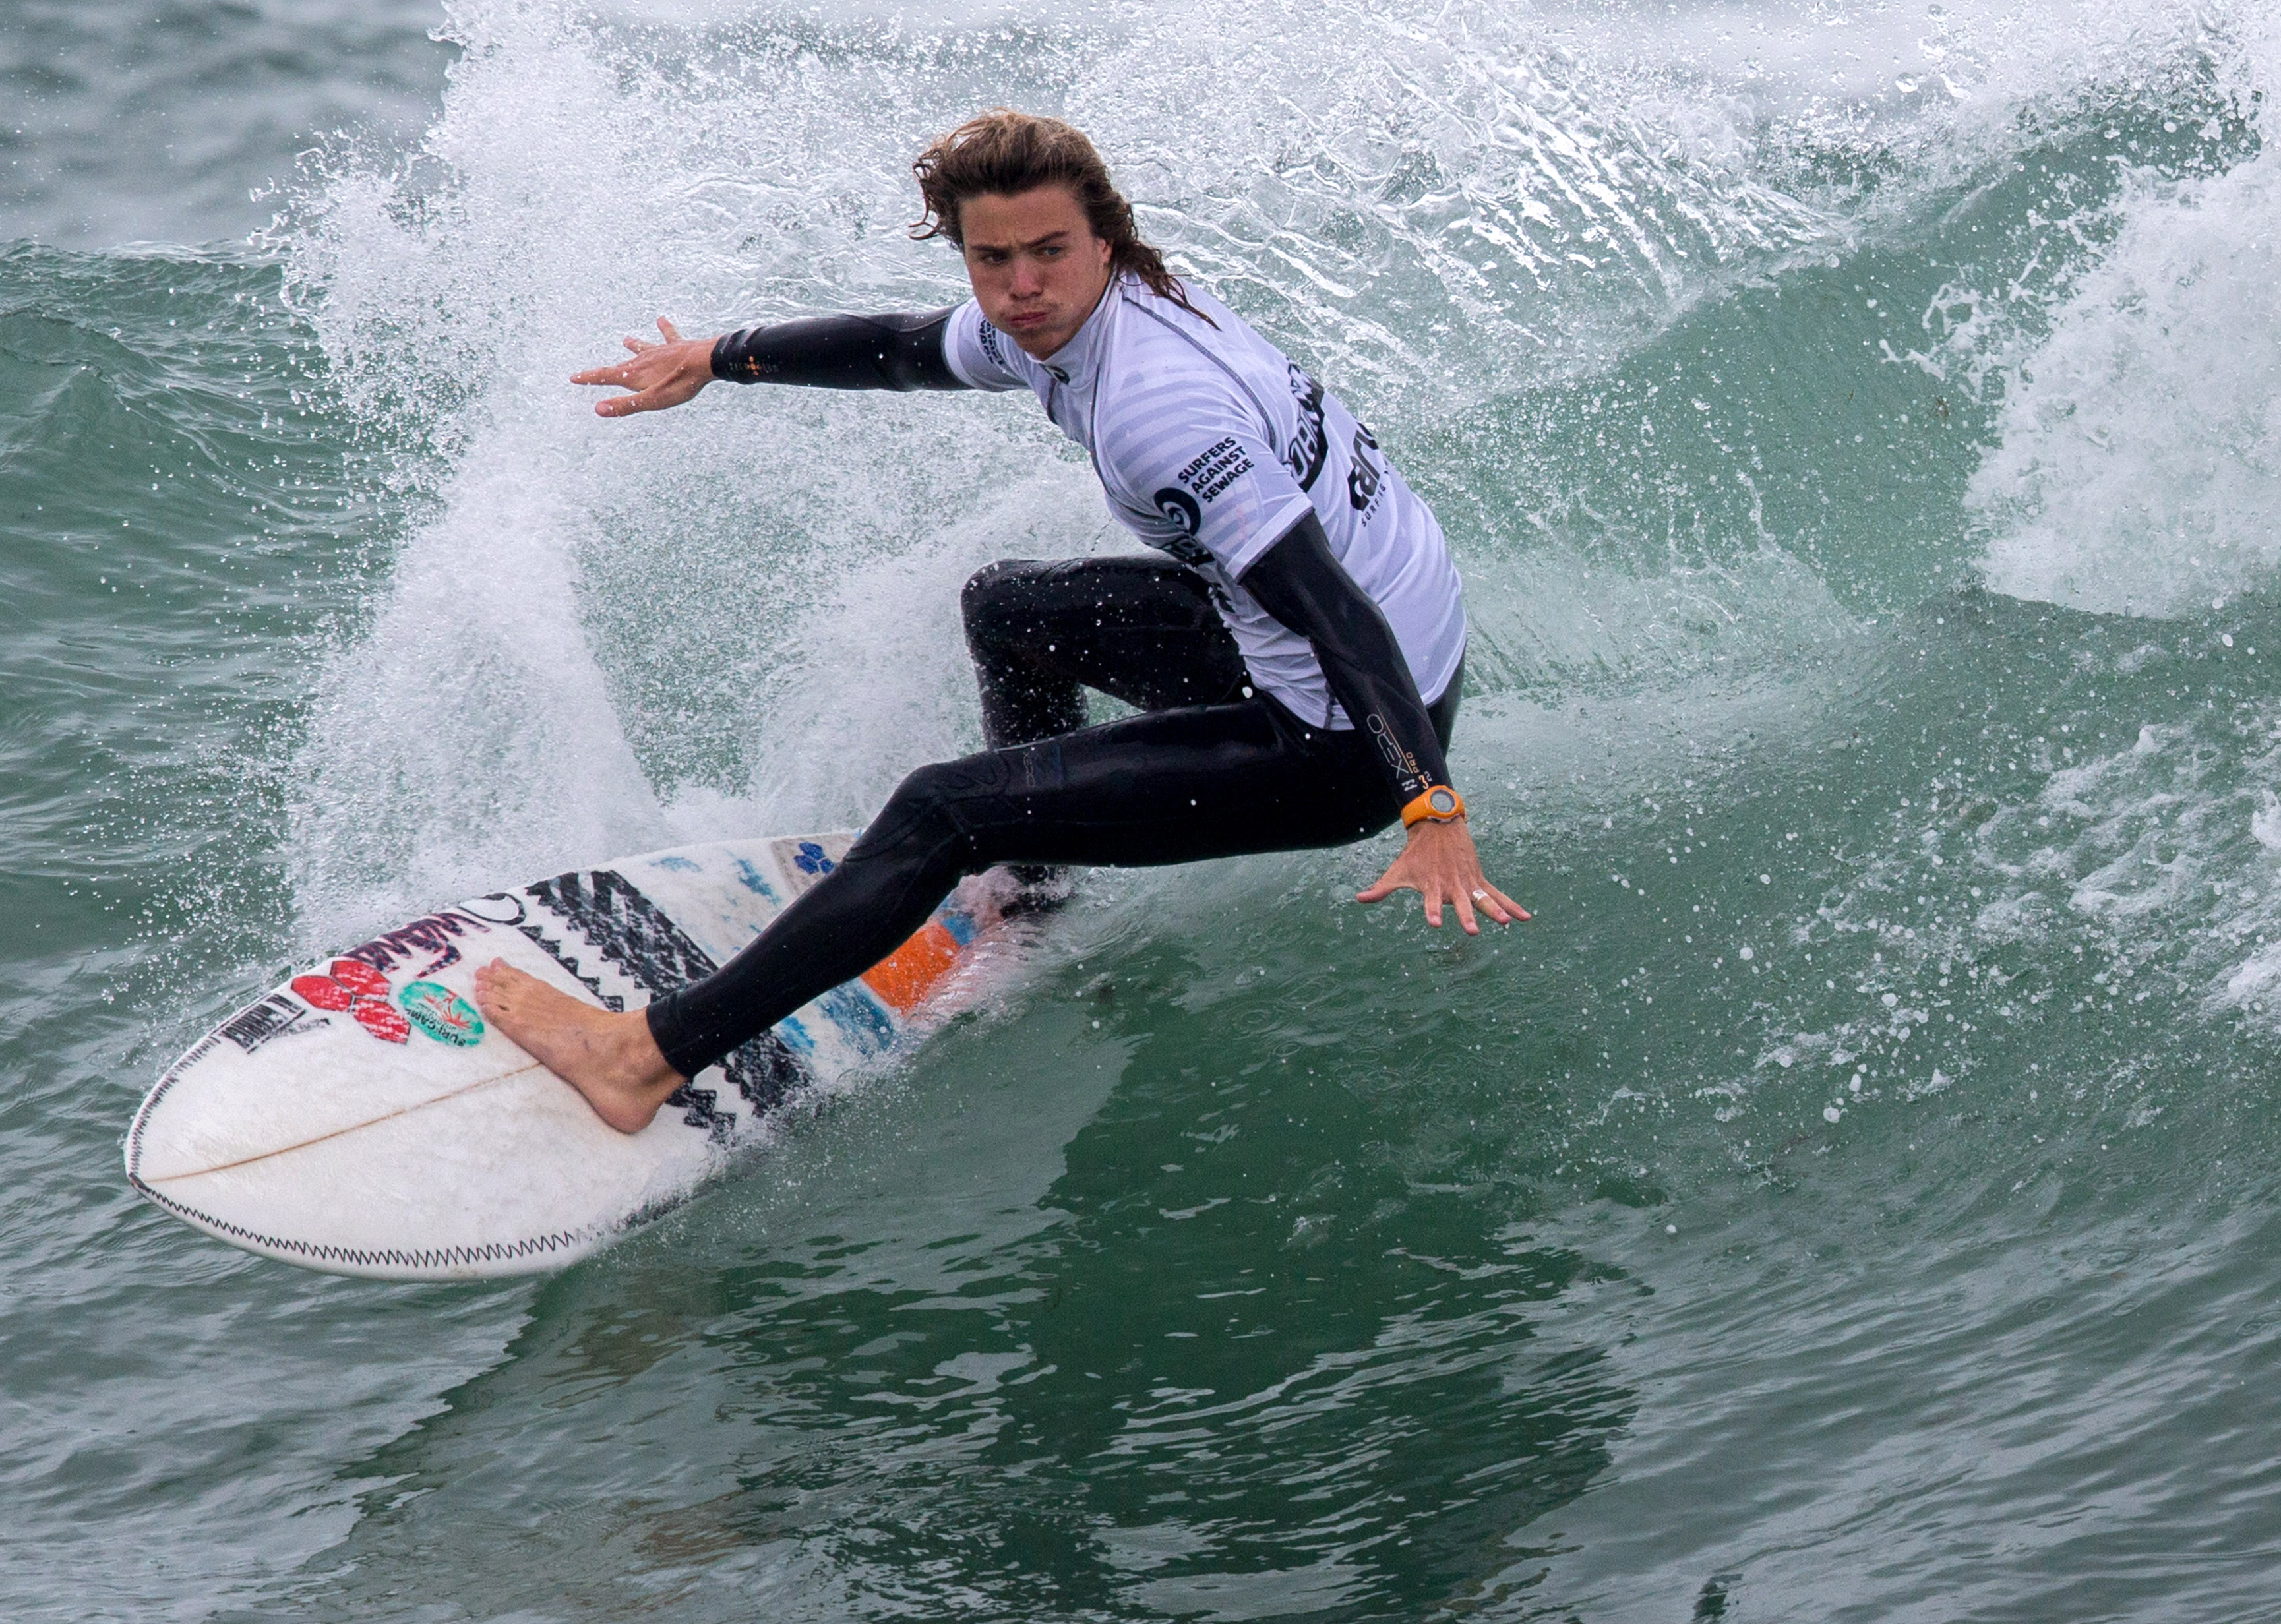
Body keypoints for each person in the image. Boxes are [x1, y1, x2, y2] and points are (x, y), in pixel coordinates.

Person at [475, 112, 1527, 1132]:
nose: (1020, 287)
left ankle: (641, 1059)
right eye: (991, 259)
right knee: (1009, 608)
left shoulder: (1159, 409)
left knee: (942, 811)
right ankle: (1036, 900)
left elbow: (1334, 613)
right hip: (1384, 642)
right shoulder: (1093, 308)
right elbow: (899, 348)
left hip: (1347, 732)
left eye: (1047, 253)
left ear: (1103, 237)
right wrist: (720, 356)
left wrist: (1428, 803)